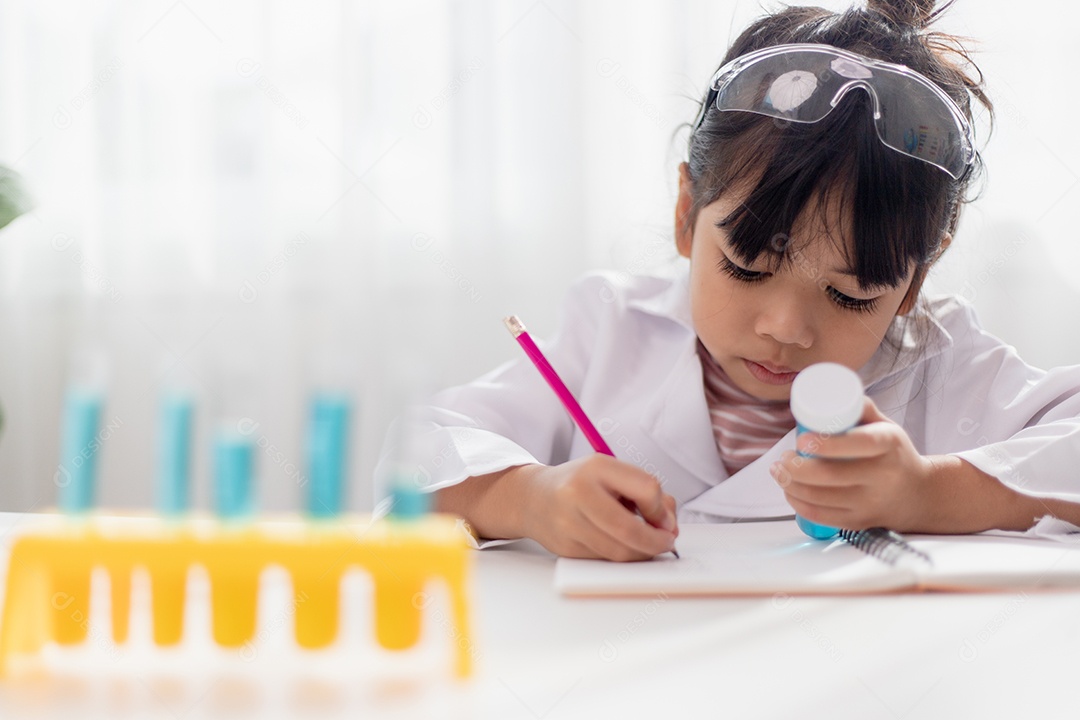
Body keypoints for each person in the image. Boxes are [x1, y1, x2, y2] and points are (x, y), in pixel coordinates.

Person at [375, 0, 1080, 561]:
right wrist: (527, 498)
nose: (785, 327)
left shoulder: (941, 366)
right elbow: (421, 447)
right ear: (687, 214)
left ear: (914, 280)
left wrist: (930, 492)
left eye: (850, 294)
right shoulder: (609, 330)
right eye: (746, 267)